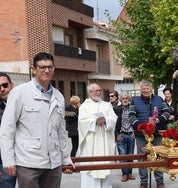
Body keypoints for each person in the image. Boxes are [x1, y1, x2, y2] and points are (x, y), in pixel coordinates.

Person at [0, 52, 74, 188]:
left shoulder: (58, 96)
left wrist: (65, 158)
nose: (47, 70)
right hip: (28, 162)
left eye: (50, 67)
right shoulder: (19, 93)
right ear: (33, 69)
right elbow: (7, 129)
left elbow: (61, 132)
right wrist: (8, 159)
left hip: (54, 163)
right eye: (42, 67)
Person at [129, 80, 170, 188]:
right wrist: (140, 125)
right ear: (141, 90)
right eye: (143, 89)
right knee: (142, 159)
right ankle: (143, 182)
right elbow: (131, 116)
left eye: (147, 89)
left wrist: (158, 120)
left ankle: (159, 182)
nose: (146, 91)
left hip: (157, 134)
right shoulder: (135, 101)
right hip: (141, 135)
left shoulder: (160, 99)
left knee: (158, 158)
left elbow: (167, 112)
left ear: (151, 89)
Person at [77, 83, 117, 188]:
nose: (98, 92)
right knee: (90, 170)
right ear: (89, 92)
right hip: (90, 144)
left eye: (99, 90)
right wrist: (94, 122)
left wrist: (106, 120)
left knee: (104, 166)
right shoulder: (84, 106)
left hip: (104, 143)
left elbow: (113, 118)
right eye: (96, 91)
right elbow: (82, 122)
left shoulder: (106, 105)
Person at [113, 93, 135, 182]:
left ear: (129, 99)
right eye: (123, 98)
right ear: (120, 100)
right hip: (121, 135)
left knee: (130, 155)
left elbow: (136, 120)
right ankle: (124, 174)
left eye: (126, 98)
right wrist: (116, 135)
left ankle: (129, 173)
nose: (125, 100)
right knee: (122, 156)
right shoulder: (116, 109)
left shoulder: (133, 108)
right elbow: (113, 123)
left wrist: (135, 132)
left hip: (131, 134)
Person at [0, 72, 16, 188]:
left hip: (27, 163)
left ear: (12, 85)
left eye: (5, 85)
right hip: (4, 165)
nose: (2, 89)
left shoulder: (23, 103)